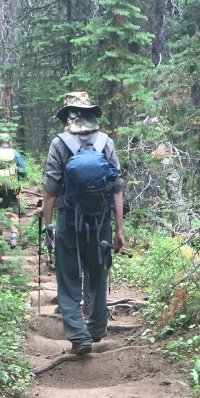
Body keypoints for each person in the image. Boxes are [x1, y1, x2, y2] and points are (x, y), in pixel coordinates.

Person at [41, 92, 125, 354]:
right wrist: (119, 230)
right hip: (100, 221)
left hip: (69, 220)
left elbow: (50, 191)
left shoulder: (59, 143)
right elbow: (117, 188)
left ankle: (79, 336)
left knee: (68, 278)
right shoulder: (105, 142)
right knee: (99, 272)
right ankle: (97, 328)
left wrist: (48, 227)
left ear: (67, 116)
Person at [0, 133, 27, 247]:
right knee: (13, 213)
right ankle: (13, 238)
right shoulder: (15, 154)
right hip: (12, 189)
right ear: (10, 142)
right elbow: (23, 172)